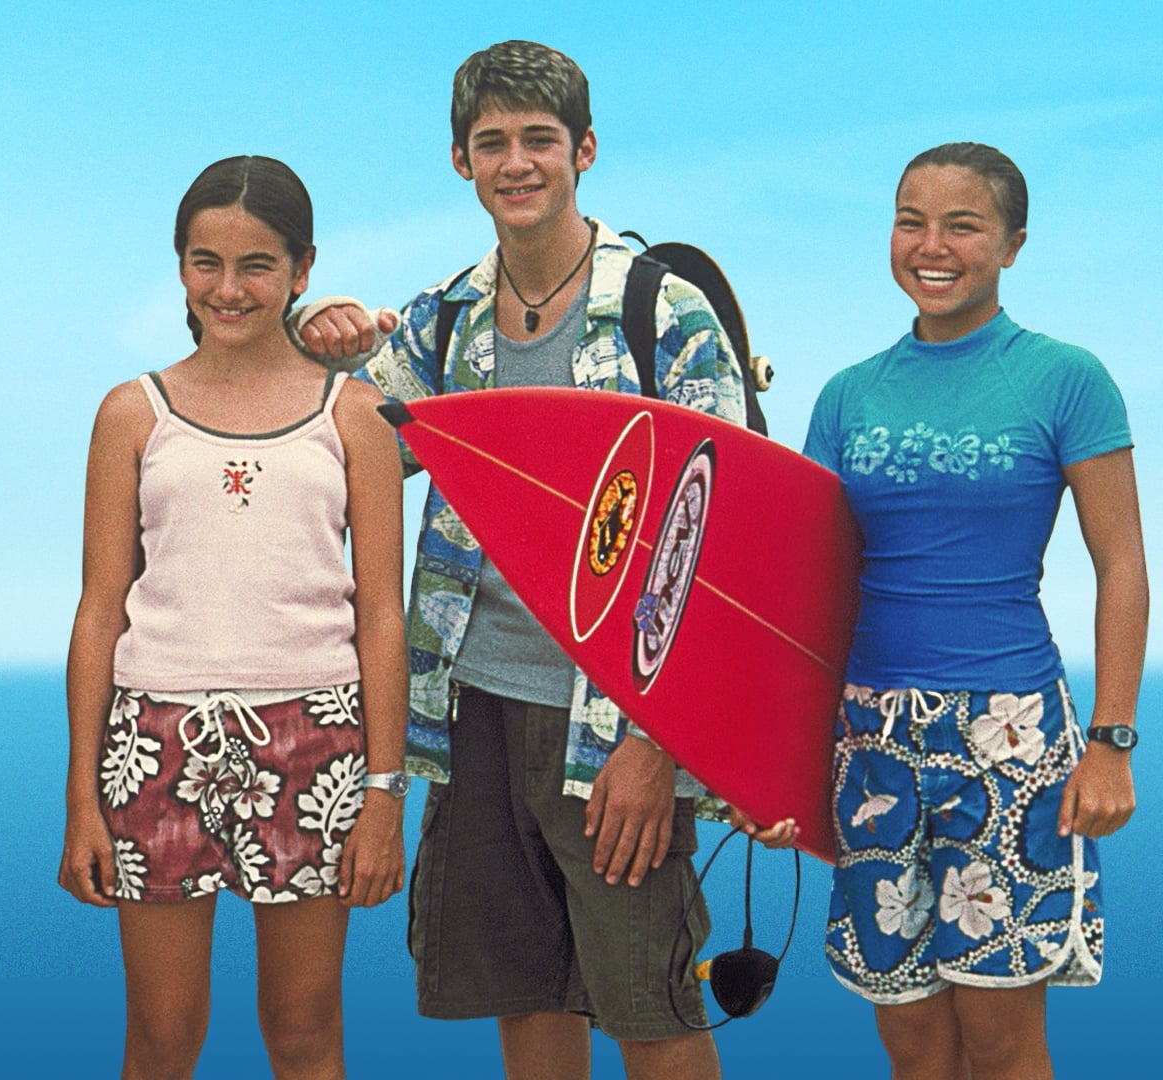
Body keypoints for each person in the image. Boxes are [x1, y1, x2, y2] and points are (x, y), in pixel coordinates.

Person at [296, 41, 742, 1080]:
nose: (516, 162)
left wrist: (658, 744)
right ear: (461, 161)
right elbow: (349, 455)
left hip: (615, 721)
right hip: (475, 709)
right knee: (525, 994)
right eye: (491, 142)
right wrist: (313, 341)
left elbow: (715, 539)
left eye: (540, 139)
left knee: (653, 1010)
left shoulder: (664, 312)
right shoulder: (446, 318)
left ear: (584, 150)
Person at [780, 142, 1148, 1080]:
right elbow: (810, 587)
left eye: (963, 226)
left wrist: (1111, 741)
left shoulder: (1066, 377)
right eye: (911, 222)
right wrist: (775, 762)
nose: (931, 247)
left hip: (1008, 733)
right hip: (871, 735)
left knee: (999, 1036)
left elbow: (1122, 566)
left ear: (1013, 245)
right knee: (910, 1038)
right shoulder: (848, 394)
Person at [58, 154, 409, 1080]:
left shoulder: (358, 415)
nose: (228, 288)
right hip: (154, 739)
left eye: (258, 265)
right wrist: (81, 798)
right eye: (205, 262)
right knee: (162, 1034)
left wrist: (384, 795)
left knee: (304, 1032)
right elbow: (99, 612)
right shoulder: (132, 414)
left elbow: (382, 614)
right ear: (179, 265)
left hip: (316, 738)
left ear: (302, 269)